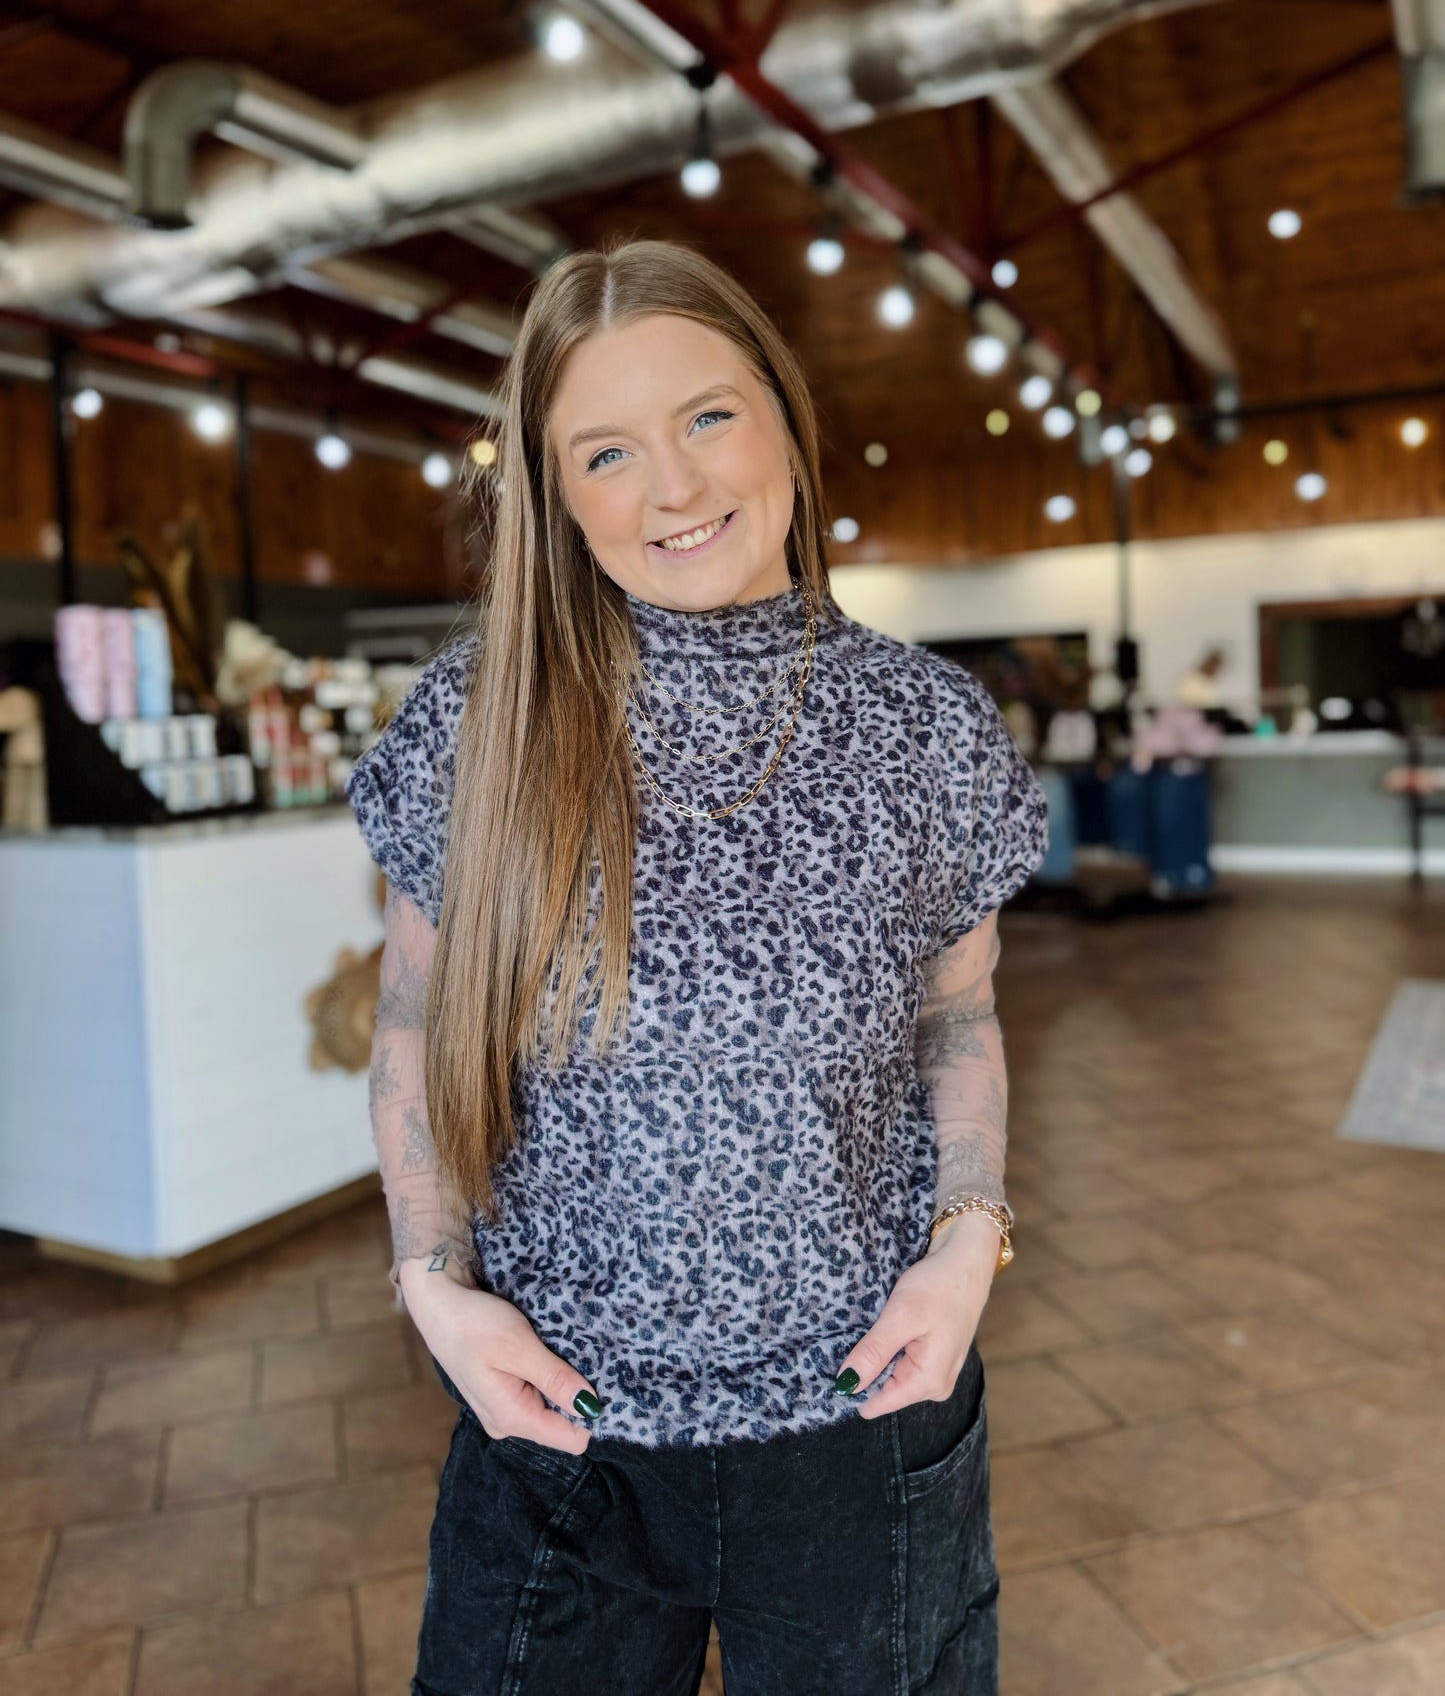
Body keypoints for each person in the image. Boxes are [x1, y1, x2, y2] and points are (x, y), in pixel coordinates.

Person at [345, 239, 1048, 1696]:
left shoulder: (927, 730)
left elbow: (957, 1012)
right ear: (554, 497)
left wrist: (966, 1236)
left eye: (708, 417)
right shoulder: (482, 721)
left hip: (860, 1421)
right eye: (605, 451)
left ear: (784, 415)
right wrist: (431, 1282)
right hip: (557, 1426)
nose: (673, 487)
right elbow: (409, 1015)